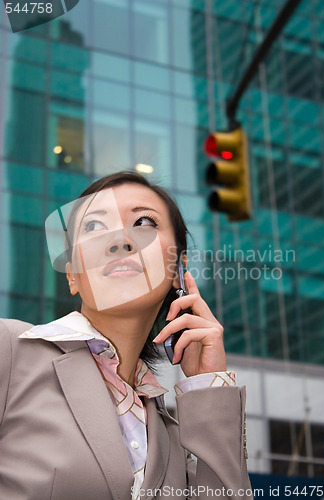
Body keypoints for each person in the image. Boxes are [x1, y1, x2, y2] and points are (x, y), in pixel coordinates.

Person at [0, 171, 252, 500]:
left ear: (179, 267)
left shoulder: (176, 439)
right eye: (93, 227)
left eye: (144, 222)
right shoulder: (11, 351)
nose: (120, 240)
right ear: (73, 276)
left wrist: (208, 383)